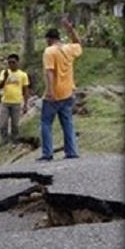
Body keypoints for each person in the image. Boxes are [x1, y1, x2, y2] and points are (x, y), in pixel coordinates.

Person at [38, 18, 82, 161]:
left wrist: (50, 91)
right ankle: (72, 152)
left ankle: (47, 153)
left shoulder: (49, 51)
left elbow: (50, 72)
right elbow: (78, 43)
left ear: (49, 39)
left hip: (55, 94)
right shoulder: (69, 48)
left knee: (46, 123)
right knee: (67, 122)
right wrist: (70, 30)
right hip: (69, 92)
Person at [0, 54, 29, 144]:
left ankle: (15, 140)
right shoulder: (4, 73)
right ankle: (4, 140)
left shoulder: (23, 75)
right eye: (9, 62)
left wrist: (26, 104)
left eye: (13, 62)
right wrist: (5, 78)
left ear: (17, 63)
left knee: (15, 124)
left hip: (17, 102)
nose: (11, 64)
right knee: (3, 123)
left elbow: (25, 90)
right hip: (5, 102)